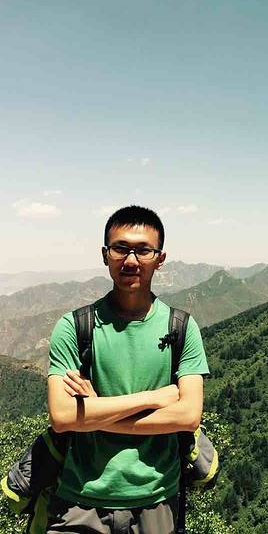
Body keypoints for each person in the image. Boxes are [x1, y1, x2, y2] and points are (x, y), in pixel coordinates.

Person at [46, 205, 209, 534]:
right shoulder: (75, 327)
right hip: (80, 498)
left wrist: (93, 414)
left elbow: (188, 416)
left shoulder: (180, 328)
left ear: (160, 259)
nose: (131, 260)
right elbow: (62, 417)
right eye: (120, 248)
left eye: (143, 250)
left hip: (156, 498)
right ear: (105, 255)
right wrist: (153, 398)